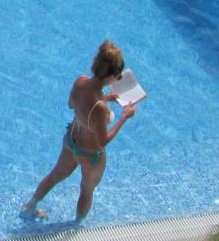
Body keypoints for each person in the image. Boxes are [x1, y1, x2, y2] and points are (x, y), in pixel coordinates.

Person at [22, 40, 137, 222]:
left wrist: (105, 97)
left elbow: (72, 105)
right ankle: (77, 227)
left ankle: (31, 205)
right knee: (87, 189)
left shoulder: (80, 82)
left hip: (71, 141)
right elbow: (102, 141)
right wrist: (124, 117)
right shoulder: (101, 109)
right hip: (90, 154)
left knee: (55, 175)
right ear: (112, 76)